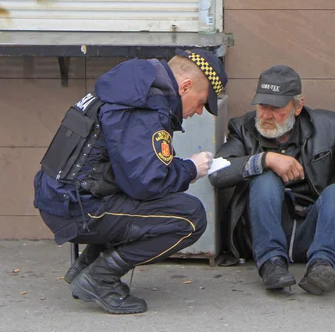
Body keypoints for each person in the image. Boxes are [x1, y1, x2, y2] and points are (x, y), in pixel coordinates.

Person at [33, 48, 228, 314]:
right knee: (190, 217)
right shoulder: (143, 105)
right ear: (185, 86)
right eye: (201, 102)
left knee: (145, 203)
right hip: (78, 208)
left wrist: (181, 168)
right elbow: (146, 184)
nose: (198, 112)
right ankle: (100, 278)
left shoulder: (129, 88)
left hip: (61, 198)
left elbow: (132, 170)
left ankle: (86, 265)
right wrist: (191, 169)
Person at [209, 65, 335, 295]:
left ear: (298, 106)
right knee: (263, 178)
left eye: (276, 108)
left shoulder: (327, 125)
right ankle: (271, 263)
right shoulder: (243, 128)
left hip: (316, 229)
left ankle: (324, 266)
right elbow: (217, 172)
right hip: (264, 233)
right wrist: (264, 159)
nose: (266, 115)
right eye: (262, 106)